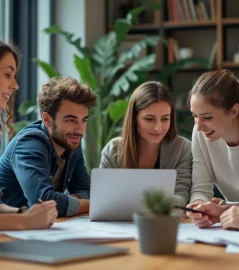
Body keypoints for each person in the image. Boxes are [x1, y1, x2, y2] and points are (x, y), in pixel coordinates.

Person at [0, 75, 97, 217]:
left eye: (83, 120)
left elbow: (86, 190)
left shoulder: (71, 141)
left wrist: (64, 202)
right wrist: (90, 204)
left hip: (41, 228)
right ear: (47, 119)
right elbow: (43, 202)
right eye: (71, 120)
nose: (80, 129)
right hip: (9, 231)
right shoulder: (29, 143)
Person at [187, 69, 239, 225]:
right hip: (230, 223)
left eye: (207, 117)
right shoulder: (201, 134)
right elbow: (200, 188)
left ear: (234, 110)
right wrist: (200, 210)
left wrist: (222, 208)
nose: (198, 126)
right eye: (195, 116)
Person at [99, 81, 192, 207]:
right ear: (134, 119)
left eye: (165, 119)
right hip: (119, 222)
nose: (158, 128)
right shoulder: (113, 149)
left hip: (163, 219)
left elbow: (181, 193)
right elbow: (102, 197)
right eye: (149, 119)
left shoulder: (182, 148)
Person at [0, 40, 57, 230]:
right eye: (8, 74)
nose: (15, 85)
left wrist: (24, 213)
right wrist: (25, 221)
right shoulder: (31, 139)